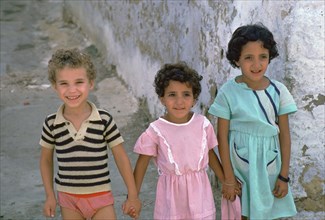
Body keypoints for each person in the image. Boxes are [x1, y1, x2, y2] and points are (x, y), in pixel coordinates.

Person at [39, 48, 141, 219]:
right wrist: (50, 195)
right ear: (55, 86)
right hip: (68, 199)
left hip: (100, 198)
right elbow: (46, 160)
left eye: (79, 82)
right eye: (64, 83)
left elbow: (121, 157)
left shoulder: (104, 120)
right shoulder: (51, 124)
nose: (72, 90)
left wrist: (133, 195)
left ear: (91, 83)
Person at [208, 23, 297, 219]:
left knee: (269, 210)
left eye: (262, 57)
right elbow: (221, 137)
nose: (256, 65)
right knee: (242, 211)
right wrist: (228, 178)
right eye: (248, 58)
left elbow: (285, 136)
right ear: (236, 59)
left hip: (270, 162)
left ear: (269, 57)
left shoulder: (279, 91)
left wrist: (283, 175)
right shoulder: (228, 92)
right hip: (240, 164)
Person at [132, 62, 227, 219]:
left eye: (186, 94)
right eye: (172, 95)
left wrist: (225, 181)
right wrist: (133, 196)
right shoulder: (156, 130)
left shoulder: (202, 124)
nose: (179, 102)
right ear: (162, 98)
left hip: (200, 197)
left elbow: (209, 154)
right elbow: (142, 163)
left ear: (194, 99)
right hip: (171, 200)